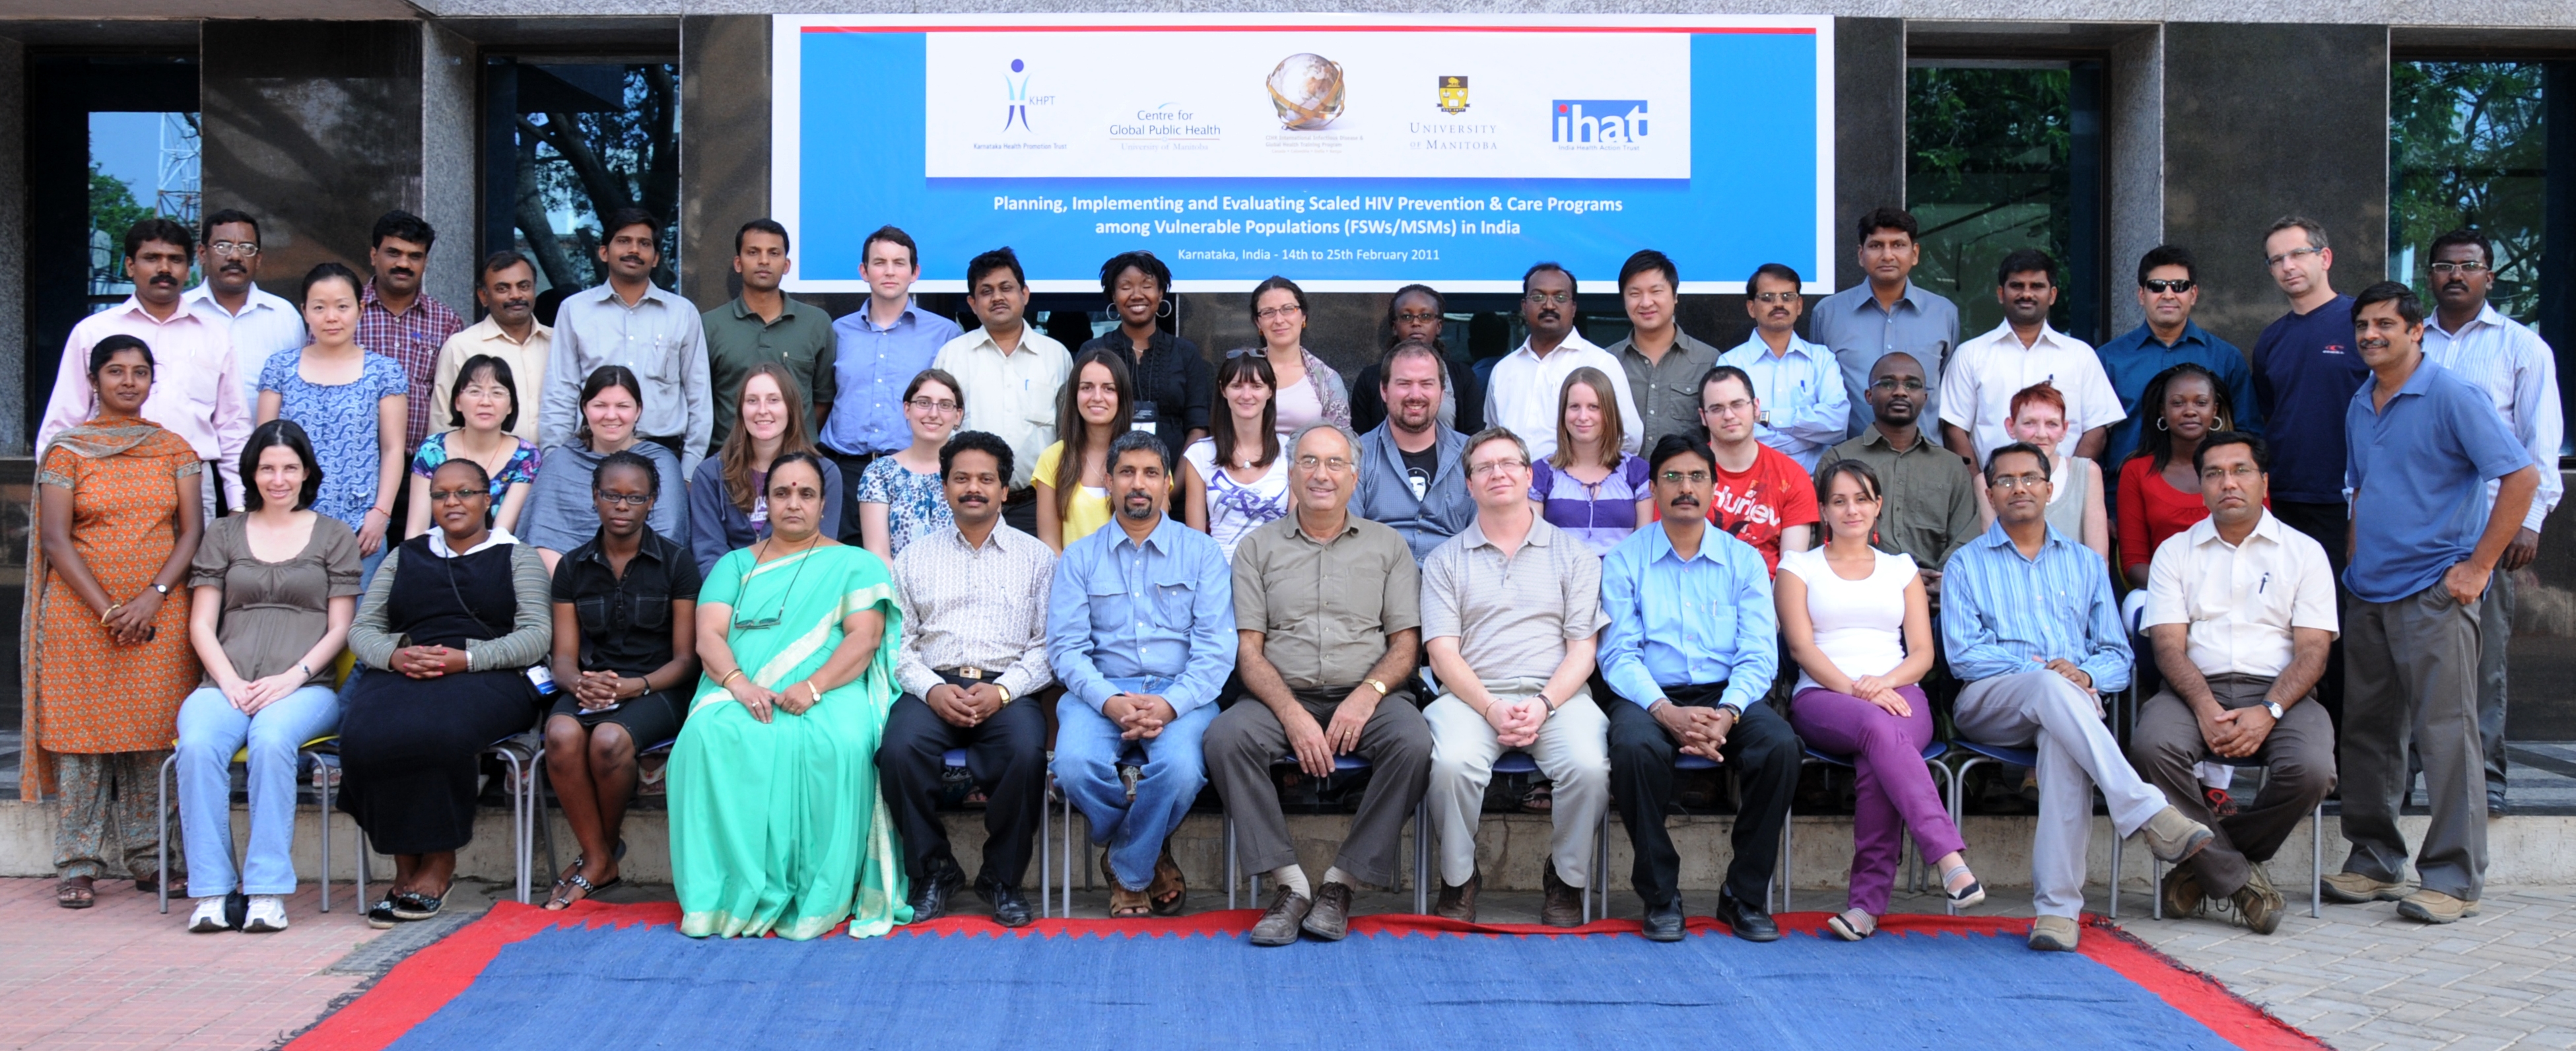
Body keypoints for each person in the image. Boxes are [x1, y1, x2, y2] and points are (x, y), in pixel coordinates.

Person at [1943, 442, 2214, 952]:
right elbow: (1965, 657)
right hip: (1989, 703)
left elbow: (2116, 654)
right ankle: (2143, 809)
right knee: (2052, 690)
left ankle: (2058, 913)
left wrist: (2085, 677)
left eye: (2030, 478)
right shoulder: (1966, 565)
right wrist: (2048, 673)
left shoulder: (2087, 565)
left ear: (2050, 489)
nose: (2019, 488)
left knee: (2061, 740)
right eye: (2005, 480)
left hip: (2066, 710)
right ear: (1990, 492)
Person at [2330, 282, 2540, 925]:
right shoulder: (2360, 402)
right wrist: (2352, 566)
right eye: (2362, 325)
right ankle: (2372, 860)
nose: (2370, 334)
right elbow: (2360, 492)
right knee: (2366, 732)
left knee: (2446, 732)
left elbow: (2520, 475)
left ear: (2415, 329)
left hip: (2432, 591)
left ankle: (2451, 877)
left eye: (2384, 324)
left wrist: (2476, 567)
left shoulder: (2451, 394)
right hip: (2368, 590)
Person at [671, 452, 911, 939]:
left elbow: (863, 639)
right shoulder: (734, 564)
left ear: (824, 504)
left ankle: (818, 893)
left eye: (806, 493)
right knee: (706, 733)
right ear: (766, 503)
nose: (794, 503)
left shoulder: (856, 564)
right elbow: (708, 637)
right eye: (782, 493)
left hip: (832, 687)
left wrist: (814, 686)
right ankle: (720, 896)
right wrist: (738, 684)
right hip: (740, 685)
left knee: (836, 742)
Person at [1209, 423, 1432, 945]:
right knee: (1225, 738)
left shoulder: (1388, 546)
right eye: (1309, 462)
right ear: (1291, 474)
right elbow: (1248, 649)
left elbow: (1405, 645)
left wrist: (1366, 696)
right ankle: (1289, 886)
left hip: (1370, 694)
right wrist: (1291, 714)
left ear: (1355, 477)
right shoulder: (1256, 549)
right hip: (1280, 694)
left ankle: (1340, 883)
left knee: (1415, 741)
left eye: (1335, 464)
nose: (1321, 474)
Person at [24, 335, 207, 909]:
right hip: (80, 619)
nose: (128, 382)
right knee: (81, 743)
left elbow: (192, 533)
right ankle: (77, 864)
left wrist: (152, 597)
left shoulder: (175, 449)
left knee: (154, 738)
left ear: (153, 380)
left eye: (139, 372)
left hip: (160, 615)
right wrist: (108, 608)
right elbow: (56, 539)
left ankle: (154, 860)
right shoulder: (67, 452)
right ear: (94, 379)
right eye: (115, 372)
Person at [2130, 432, 2337, 935]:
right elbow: (2168, 648)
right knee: (2151, 747)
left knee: (2311, 770)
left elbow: (2314, 652)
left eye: (2241, 471)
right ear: (2200, 487)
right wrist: (2202, 705)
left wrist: (2269, 711)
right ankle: (2239, 879)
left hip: (2280, 692)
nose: (2228, 483)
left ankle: (2203, 868)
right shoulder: (2175, 553)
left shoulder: (2304, 552)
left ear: (2264, 482)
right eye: (2215, 473)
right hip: (2193, 689)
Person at [1600, 433, 1796, 941]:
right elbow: (1618, 653)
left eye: (1696, 477)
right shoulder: (1625, 560)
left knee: (1778, 747)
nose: (1685, 488)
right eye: (1672, 477)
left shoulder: (1744, 561)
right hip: (1649, 695)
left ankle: (1744, 895)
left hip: (1726, 694)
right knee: (1634, 748)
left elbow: (1759, 653)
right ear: (1655, 486)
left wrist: (1728, 713)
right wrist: (1666, 712)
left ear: (1713, 485)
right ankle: (1661, 895)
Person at [339, 458, 552, 928]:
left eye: (465, 493)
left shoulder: (517, 556)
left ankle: (439, 862)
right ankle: (403, 865)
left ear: (487, 498)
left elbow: (537, 637)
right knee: (364, 732)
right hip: (406, 668)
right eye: (441, 495)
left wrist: (468, 658)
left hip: (491, 674)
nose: (452, 503)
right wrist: (395, 655)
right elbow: (363, 629)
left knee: (438, 732)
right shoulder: (405, 555)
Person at [1780, 458, 1983, 941]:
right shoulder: (1798, 567)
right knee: (1876, 730)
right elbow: (1801, 648)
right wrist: (1857, 688)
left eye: (1862, 499)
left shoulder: (1901, 568)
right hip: (1825, 695)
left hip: (1901, 693)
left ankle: (1865, 908)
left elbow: (1923, 653)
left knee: (1879, 755)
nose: (1852, 509)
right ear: (1824, 511)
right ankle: (1947, 856)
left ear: (1878, 506)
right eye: (1839, 500)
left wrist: (1885, 683)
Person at [1420, 426, 1610, 927]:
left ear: (1530, 475)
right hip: (1471, 698)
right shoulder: (1444, 561)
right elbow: (1442, 654)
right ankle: (1459, 880)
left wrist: (1544, 705)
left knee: (1590, 767)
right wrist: (1491, 707)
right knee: (1451, 765)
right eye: (1484, 467)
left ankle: (1565, 881)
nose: (1497, 474)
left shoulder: (1576, 556)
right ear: (1468, 485)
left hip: (1558, 698)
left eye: (1508, 464)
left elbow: (1582, 651)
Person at [173, 421, 357, 932]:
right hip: (226, 683)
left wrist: (292, 678)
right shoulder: (224, 533)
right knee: (196, 745)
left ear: (306, 473)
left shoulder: (334, 535)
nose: (279, 479)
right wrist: (229, 681)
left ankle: (265, 891)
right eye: (268, 468)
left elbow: (341, 627)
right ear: (253, 474)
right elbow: (201, 624)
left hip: (305, 688)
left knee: (273, 740)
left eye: (289, 468)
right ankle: (210, 892)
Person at [1047, 432, 1236, 917]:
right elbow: (1066, 649)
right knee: (1071, 767)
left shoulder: (1202, 554)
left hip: (1181, 696)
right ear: (1107, 481)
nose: (1138, 484)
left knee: (1179, 770)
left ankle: (1129, 868)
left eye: (1151, 473)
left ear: (1168, 483)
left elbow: (1217, 649)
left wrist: (1171, 704)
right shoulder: (1079, 558)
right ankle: (1150, 852)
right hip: (1100, 695)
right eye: (1127, 473)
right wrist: (1110, 701)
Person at [879, 431, 1055, 927]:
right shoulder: (914, 557)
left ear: (1005, 490)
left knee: (1024, 753)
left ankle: (1002, 880)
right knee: (897, 751)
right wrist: (932, 690)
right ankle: (934, 871)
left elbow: (1048, 646)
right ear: (945, 486)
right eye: (961, 478)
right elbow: (897, 644)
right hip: (932, 686)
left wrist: (1002, 692)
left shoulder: (1037, 558)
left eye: (986, 479)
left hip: (1007, 688)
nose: (973, 488)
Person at [2419, 228, 2562, 815]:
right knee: (2409, 662)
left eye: (2469, 266)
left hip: (2490, 529)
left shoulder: (2523, 349)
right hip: (2416, 528)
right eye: (2445, 266)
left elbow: (2539, 446)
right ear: (2428, 274)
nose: (2456, 275)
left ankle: (2489, 782)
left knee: (2484, 663)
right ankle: (2404, 780)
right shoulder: (2407, 339)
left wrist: (2528, 521)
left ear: (2489, 276)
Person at [541, 450, 701, 909]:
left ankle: (598, 856)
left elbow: (686, 659)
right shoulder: (573, 567)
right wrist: (578, 684)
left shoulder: (676, 564)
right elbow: (565, 659)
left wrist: (638, 686)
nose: (622, 505)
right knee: (560, 732)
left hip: (660, 686)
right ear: (595, 498)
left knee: (609, 741)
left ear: (653, 502)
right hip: (594, 685)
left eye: (635, 497)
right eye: (612, 494)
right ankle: (600, 857)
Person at [38, 217, 248, 516]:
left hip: (191, 484)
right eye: (152, 258)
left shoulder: (214, 335)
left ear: (188, 270)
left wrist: (239, 504)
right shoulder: (92, 332)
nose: (164, 269)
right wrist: (55, 500)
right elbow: (62, 421)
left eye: (175, 260)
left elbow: (233, 426)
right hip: (104, 481)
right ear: (130, 266)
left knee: (195, 563)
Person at [259, 263, 409, 586]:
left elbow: (393, 448)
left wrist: (380, 514)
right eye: (319, 307)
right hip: (289, 518)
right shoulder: (280, 368)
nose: (331, 317)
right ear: (305, 312)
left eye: (342, 306)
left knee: (355, 627)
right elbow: (263, 448)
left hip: (359, 525)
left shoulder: (384, 372)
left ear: (360, 309)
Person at [540, 209, 712, 475]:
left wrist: (689, 471)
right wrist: (556, 465)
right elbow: (560, 392)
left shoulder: (682, 313)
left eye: (644, 244)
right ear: (604, 252)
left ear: (655, 258)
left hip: (664, 456)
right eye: (624, 241)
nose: (634, 249)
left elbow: (699, 397)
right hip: (589, 457)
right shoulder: (574, 311)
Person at [820, 226, 963, 535]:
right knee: (843, 572)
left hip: (913, 470)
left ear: (915, 273)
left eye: (899, 263)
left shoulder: (945, 334)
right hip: (844, 472)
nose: (889, 271)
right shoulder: (836, 332)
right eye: (879, 262)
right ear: (864, 270)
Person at [2250, 217, 2372, 576]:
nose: (2288, 266)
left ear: (2325, 258)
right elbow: (2271, 417)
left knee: (2344, 619)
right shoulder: (2270, 341)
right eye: (2277, 260)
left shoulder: (2362, 325)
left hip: (2348, 500)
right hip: (2283, 500)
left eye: (2298, 254)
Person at [933, 246, 1071, 535]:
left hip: (1036, 506)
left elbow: (1068, 433)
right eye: (986, 291)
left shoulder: (1056, 356)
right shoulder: (952, 356)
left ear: (1025, 294)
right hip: (969, 506)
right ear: (972, 303)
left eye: (1006, 288)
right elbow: (939, 434)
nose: (997, 297)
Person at [1827, 352, 1981, 607]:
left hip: (1939, 602)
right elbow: (1827, 538)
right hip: (1859, 599)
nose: (1900, 392)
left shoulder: (1951, 466)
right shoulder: (1838, 461)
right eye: (1887, 383)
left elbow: (1967, 536)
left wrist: (1943, 581)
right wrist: (1896, 579)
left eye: (1912, 385)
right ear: (1868, 395)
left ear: (1925, 398)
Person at [1939, 249, 2121, 465]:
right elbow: (1955, 430)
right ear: (2000, 293)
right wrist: (1979, 488)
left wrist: (2070, 484)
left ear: (2052, 295)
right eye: (2017, 286)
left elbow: (2097, 428)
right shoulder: (1970, 355)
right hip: (1992, 492)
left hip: (2065, 493)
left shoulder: (2080, 355)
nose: (2027, 294)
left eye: (2037, 286)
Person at [2095, 245, 2260, 473]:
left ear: (2193, 295)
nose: (2168, 295)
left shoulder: (2225, 358)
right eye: (2157, 287)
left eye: (2179, 286)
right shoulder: (2108, 359)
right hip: (2124, 494)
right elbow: (2095, 436)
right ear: (2141, 295)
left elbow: (2248, 433)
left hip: (2205, 493)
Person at [1811, 207, 1962, 436]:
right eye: (1876, 245)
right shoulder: (1828, 314)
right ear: (1861, 254)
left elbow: (1951, 397)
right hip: (1851, 461)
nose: (1888, 255)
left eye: (1898, 245)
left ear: (1915, 253)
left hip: (1926, 461)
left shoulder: (1943, 314)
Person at [525, 366, 690, 574]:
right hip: (565, 586)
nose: (611, 415)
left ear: (638, 410)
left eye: (622, 406)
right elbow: (542, 539)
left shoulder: (661, 463)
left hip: (644, 586)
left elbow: (668, 537)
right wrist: (573, 588)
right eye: (600, 405)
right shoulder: (561, 462)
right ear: (585, 408)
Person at [689, 365, 846, 574]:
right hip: (729, 593)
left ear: (791, 407)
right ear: (740, 409)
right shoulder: (710, 474)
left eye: (773, 400)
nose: (762, 410)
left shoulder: (825, 474)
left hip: (797, 591)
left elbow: (820, 551)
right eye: (752, 400)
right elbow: (709, 554)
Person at [704, 219, 836, 452]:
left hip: (798, 462)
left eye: (773, 253)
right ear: (738, 263)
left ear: (786, 265)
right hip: (729, 461)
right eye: (753, 252)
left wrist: (792, 442)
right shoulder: (710, 325)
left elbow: (823, 399)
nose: (764, 261)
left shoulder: (816, 323)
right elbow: (702, 402)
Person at [1487, 263, 1641, 462]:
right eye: (1538, 297)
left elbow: (1629, 438)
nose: (1549, 305)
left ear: (1573, 307)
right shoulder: (1503, 370)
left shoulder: (1600, 363)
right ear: (1524, 306)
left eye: (1560, 297)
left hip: (1577, 491)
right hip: (1514, 489)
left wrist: (1585, 477)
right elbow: (1493, 438)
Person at [356, 210, 467, 465]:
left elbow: (457, 399)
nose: (404, 264)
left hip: (421, 464)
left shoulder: (447, 322)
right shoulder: (345, 311)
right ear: (374, 256)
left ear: (426, 262)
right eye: (393, 253)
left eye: (414, 256)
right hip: (354, 460)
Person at [1355, 339, 1477, 564]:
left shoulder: (1473, 455)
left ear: (1442, 393)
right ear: (1384, 390)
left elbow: (1484, 539)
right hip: (1379, 584)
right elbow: (1348, 541)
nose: (1415, 394)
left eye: (1426, 384)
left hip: (1454, 583)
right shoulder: (1357, 455)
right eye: (1404, 383)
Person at [1083, 250, 1213, 460]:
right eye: (1126, 287)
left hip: (1176, 483)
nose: (1137, 294)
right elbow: (1080, 424)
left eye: (1147, 286)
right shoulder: (1093, 352)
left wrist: (1172, 488)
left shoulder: (1185, 353)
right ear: (1114, 295)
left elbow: (1198, 427)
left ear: (1160, 293)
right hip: (1104, 481)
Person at [1716, 263, 1848, 469]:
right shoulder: (1730, 363)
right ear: (1752, 308)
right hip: (1752, 484)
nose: (1779, 304)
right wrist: (1809, 439)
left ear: (1799, 305)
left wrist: (1766, 417)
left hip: (1812, 483)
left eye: (1788, 297)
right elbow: (1731, 430)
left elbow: (1837, 424)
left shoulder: (1822, 359)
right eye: (1768, 297)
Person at [2118, 364, 2238, 588]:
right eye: (2178, 403)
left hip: (2235, 592)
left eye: (2201, 403)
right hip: (2165, 593)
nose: (2190, 411)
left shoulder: (2242, 468)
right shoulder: (2136, 471)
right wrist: (2186, 592)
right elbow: (2134, 564)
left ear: (2215, 410)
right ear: (2162, 410)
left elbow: (2262, 548)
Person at [184, 209, 306, 421]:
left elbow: (300, 390)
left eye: (247, 248)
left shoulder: (285, 316)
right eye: (223, 246)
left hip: (266, 449)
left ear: (258, 259)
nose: (235, 256)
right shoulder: (182, 312)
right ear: (202, 254)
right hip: (193, 450)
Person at [1697, 365, 1819, 575]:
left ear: (1756, 408)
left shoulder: (1792, 477)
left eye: (1737, 404)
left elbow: (1791, 572)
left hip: (1766, 599)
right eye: (1717, 408)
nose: (1729, 415)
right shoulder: (1686, 474)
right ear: (1703, 416)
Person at [405, 354, 542, 539]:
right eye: (475, 391)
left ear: (510, 406)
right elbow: (416, 531)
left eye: (497, 393)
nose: (485, 402)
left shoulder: (525, 456)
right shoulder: (432, 450)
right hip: (433, 556)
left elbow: (501, 534)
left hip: (494, 557)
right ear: (458, 402)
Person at [1977, 383, 2113, 566]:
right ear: (2011, 426)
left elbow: (2098, 559)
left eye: (2052, 424)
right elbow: (1992, 556)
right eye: (2029, 423)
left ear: (2064, 429)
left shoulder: (2087, 473)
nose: (2041, 434)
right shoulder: (1987, 480)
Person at [430, 252, 551, 446]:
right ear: (483, 297)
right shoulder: (461, 346)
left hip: (553, 468)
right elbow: (443, 423)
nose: (516, 295)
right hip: (486, 470)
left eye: (524, 286)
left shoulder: (558, 343)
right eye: (503, 288)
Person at [1530, 367, 1652, 558]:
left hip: (1621, 584)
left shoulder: (1639, 473)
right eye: (1574, 407)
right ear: (1563, 412)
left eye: (1594, 407)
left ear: (1609, 412)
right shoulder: (1539, 474)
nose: (1583, 417)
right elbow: (1534, 547)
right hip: (1560, 584)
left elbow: (1643, 548)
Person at [1182, 353, 1291, 561]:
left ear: (1270, 390)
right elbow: (1195, 540)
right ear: (1223, 390)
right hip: (1219, 572)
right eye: (1237, 386)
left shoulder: (1291, 451)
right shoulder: (1199, 455)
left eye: (1256, 386)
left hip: (1278, 571)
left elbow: (1297, 531)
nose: (1247, 395)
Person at [1606, 251, 1720, 448]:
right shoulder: (1606, 362)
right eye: (1635, 294)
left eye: (1656, 291)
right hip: (1622, 478)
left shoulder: (1709, 361)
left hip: (1685, 477)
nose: (1646, 302)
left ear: (1675, 296)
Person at [856, 369, 964, 562]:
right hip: (899, 588)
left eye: (945, 405)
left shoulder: (974, 474)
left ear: (958, 415)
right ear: (907, 409)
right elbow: (878, 556)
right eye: (924, 403)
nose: (933, 414)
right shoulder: (880, 473)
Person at [1033, 349, 1134, 551]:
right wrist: (1072, 582)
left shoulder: (1146, 457)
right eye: (1087, 388)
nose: (1097, 397)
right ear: (1075, 395)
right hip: (1072, 580)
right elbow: (1049, 542)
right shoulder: (1053, 458)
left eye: (1109, 389)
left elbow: (1156, 536)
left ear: (1122, 396)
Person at [1351, 284, 1481, 435]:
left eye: (1425, 316)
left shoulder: (1463, 377)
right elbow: (1360, 441)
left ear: (1438, 326)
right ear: (1394, 326)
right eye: (1406, 317)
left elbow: (1474, 439)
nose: (1416, 323)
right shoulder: (1369, 378)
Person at [1240, 276, 1353, 435]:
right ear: (1258, 322)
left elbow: (1343, 441)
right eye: (1268, 312)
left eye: (1288, 309)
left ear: (1303, 316)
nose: (1279, 320)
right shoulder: (1240, 372)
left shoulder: (1326, 380)